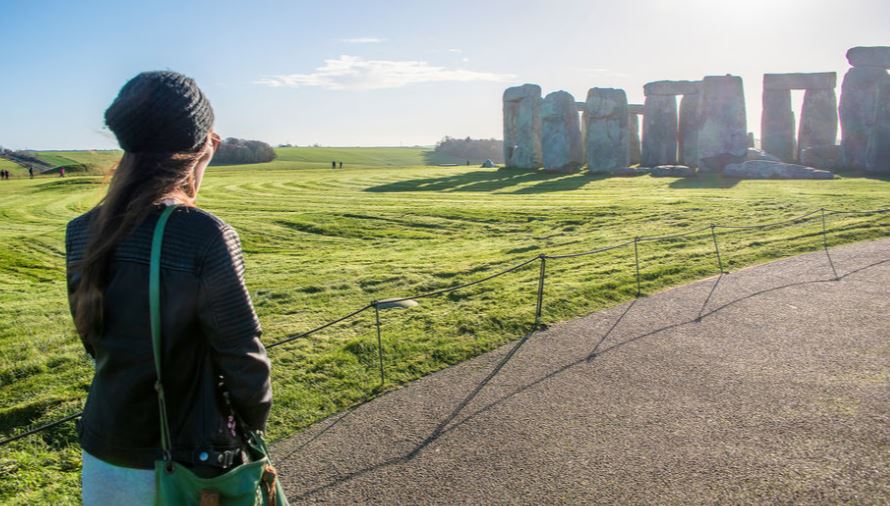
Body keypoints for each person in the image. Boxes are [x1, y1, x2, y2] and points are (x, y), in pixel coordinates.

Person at [66, 71, 272, 505]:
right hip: (182, 466)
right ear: (200, 146)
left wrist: (196, 159)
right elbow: (245, 361)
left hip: (104, 453)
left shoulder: (82, 231)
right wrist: (249, 427)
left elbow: (95, 340)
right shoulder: (203, 235)